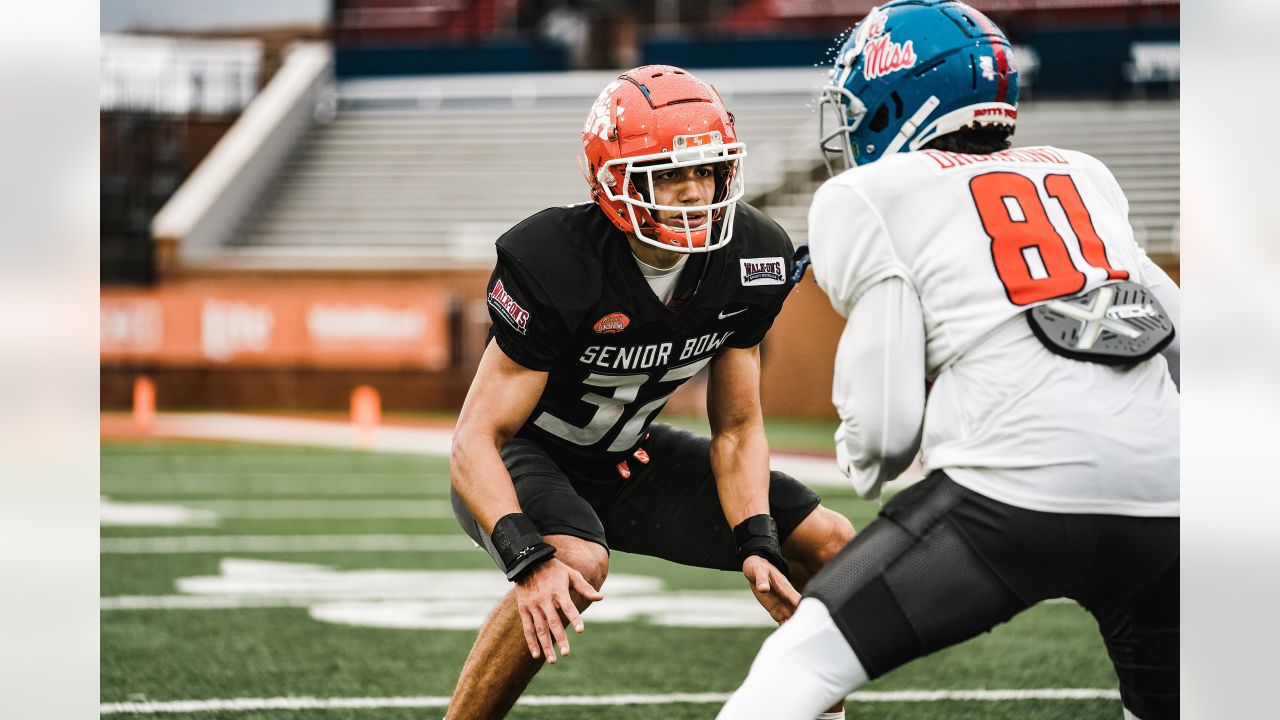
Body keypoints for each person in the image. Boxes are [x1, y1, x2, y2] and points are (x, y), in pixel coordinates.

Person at [718, 2, 1179, 719]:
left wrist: (859, 459)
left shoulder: (871, 195)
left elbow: (886, 429)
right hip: (1169, 499)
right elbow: (1180, 336)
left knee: (801, 661)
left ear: (902, 93)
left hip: (1012, 499)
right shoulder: (1084, 174)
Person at [446, 65, 856, 720]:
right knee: (575, 558)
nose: (694, 192)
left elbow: (737, 427)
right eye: (669, 173)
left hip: (629, 458)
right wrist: (526, 554)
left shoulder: (752, 256)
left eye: (707, 171)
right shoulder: (556, 260)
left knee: (828, 543)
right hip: (532, 456)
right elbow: (474, 440)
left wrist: (755, 539)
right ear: (615, 179)